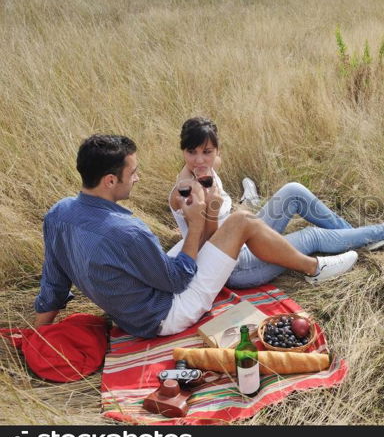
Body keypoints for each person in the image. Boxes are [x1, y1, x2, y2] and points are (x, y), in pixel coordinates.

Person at [33, 135, 359, 339]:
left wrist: (41, 331)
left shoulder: (59, 213)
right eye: (132, 173)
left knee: (224, 223)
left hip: (133, 311)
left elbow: (54, 280)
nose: (138, 178)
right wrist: (195, 225)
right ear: (108, 180)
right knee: (242, 222)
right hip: (164, 315)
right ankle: (313, 269)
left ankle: (265, 229)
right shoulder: (128, 232)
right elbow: (176, 280)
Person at [169, 117, 384, 288]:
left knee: (293, 191)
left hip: (245, 238)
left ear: (217, 151)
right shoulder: (188, 192)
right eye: (192, 152)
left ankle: (355, 237)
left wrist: (203, 165)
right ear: (182, 151)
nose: (200, 159)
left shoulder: (203, 168)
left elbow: (209, 162)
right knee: (311, 236)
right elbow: (211, 245)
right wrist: (212, 206)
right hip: (235, 266)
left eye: (207, 151)